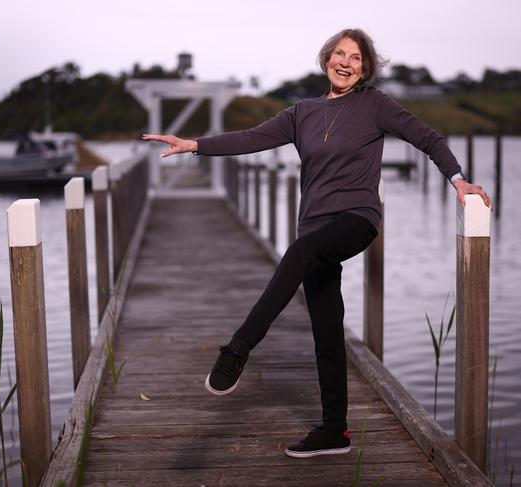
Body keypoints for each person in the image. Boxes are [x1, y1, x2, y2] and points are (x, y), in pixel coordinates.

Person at [142, 28, 492, 459]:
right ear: (327, 59)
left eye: (356, 57)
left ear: (365, 68)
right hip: (314, 226)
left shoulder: (375, 105)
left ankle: (238, 349)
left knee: (301, 252)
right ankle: (334, 432)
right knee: (326, 328)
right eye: (339, 54)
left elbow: (428, 139)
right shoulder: (300, 113)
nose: (345, 62)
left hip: (355, 220)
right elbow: (251, 138)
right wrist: (194, 144)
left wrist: (458, 180)